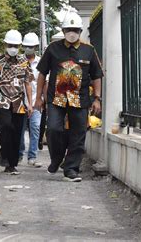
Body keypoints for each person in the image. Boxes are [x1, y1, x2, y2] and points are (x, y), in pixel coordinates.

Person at [35, 12, 103, 182]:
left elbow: (97, 75)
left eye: (75, 30)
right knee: (53, 129)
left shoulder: (89, 50)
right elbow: (42, 73)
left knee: (78, 134)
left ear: (80, 31)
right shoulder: (53, 48)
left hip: (80, 99)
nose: (71, 33)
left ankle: (71, 168)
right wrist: (38, 98)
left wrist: (97, 98)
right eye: (68, 29)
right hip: (56, 98)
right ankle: (57, 158)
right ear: (63, 30)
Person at [0, 29, 34, 175]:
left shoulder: (24, 62)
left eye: (16, 45)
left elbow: (27, 83)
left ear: (19, 46)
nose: (13, 48)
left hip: (19, 103)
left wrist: (30, 104)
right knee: (6, 128)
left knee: (17, 133)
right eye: (10, 45)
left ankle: (11, 164)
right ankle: (5, 157)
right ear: (5, 44)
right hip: (1, 101)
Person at [18, 32, 43, 167]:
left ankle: (32, 156)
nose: (29, 49)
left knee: (35, 127)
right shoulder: (18, 61)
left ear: (36, 47)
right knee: (20, 129)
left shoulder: (41, 62)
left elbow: (43, 81)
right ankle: (19, 153)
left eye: (31, 46)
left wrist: (41, 100)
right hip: (20, 101)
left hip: (35, 100)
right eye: (26, 46)